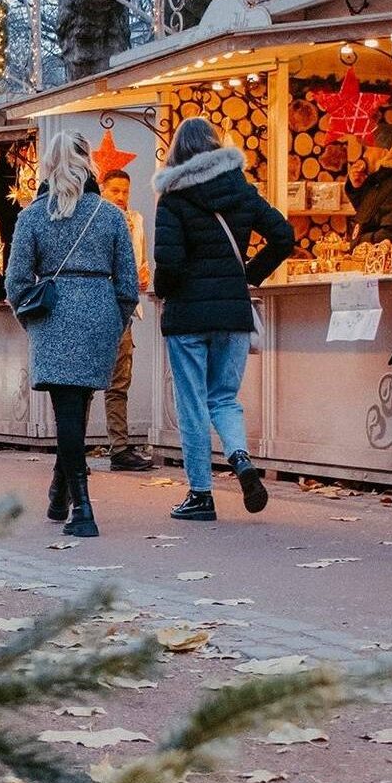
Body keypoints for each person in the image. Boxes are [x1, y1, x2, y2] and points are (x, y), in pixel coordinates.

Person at [153, 117, 294, 522]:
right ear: (215, 147)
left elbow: (171, 263)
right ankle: (241, 459)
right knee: (224, 397)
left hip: (187, 317)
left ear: (178, 152)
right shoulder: (241, 190)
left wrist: (164, 290)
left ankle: (200, 494)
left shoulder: (174, 199)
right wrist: (248, 275)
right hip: (233, 313)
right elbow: (283, 236)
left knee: (192, 403)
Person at [5, 132, 138, 538]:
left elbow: (16, 281)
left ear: (49, 165)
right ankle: (59, 492)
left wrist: (33, 322)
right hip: (99, 313)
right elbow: (128, 285)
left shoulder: (32, 216)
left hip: (53, 314)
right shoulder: (111, 215)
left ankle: (82, 508)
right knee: (77, 405)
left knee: (68, 409)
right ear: (89, 164)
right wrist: (114, 323)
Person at [94, 168, 152, 471]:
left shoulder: (136, 222)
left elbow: (141, 264)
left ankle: (119, 447)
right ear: (102, 189)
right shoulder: (93, 221)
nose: (120, 196)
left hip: (124, 311)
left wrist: (142, 276)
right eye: (114, 190)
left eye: (125, 191)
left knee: (119, 382)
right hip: (96, 310)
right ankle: (74, 450)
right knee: (87, 380)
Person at [346, 133, 392, 245]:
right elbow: (368, 214)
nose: (365, 155)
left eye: (369, 149)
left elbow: (390, 234)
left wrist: (358, 241)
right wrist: (357, 188)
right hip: (369, 255)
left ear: (384, 153)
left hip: (380, 258)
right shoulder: (382, 180)